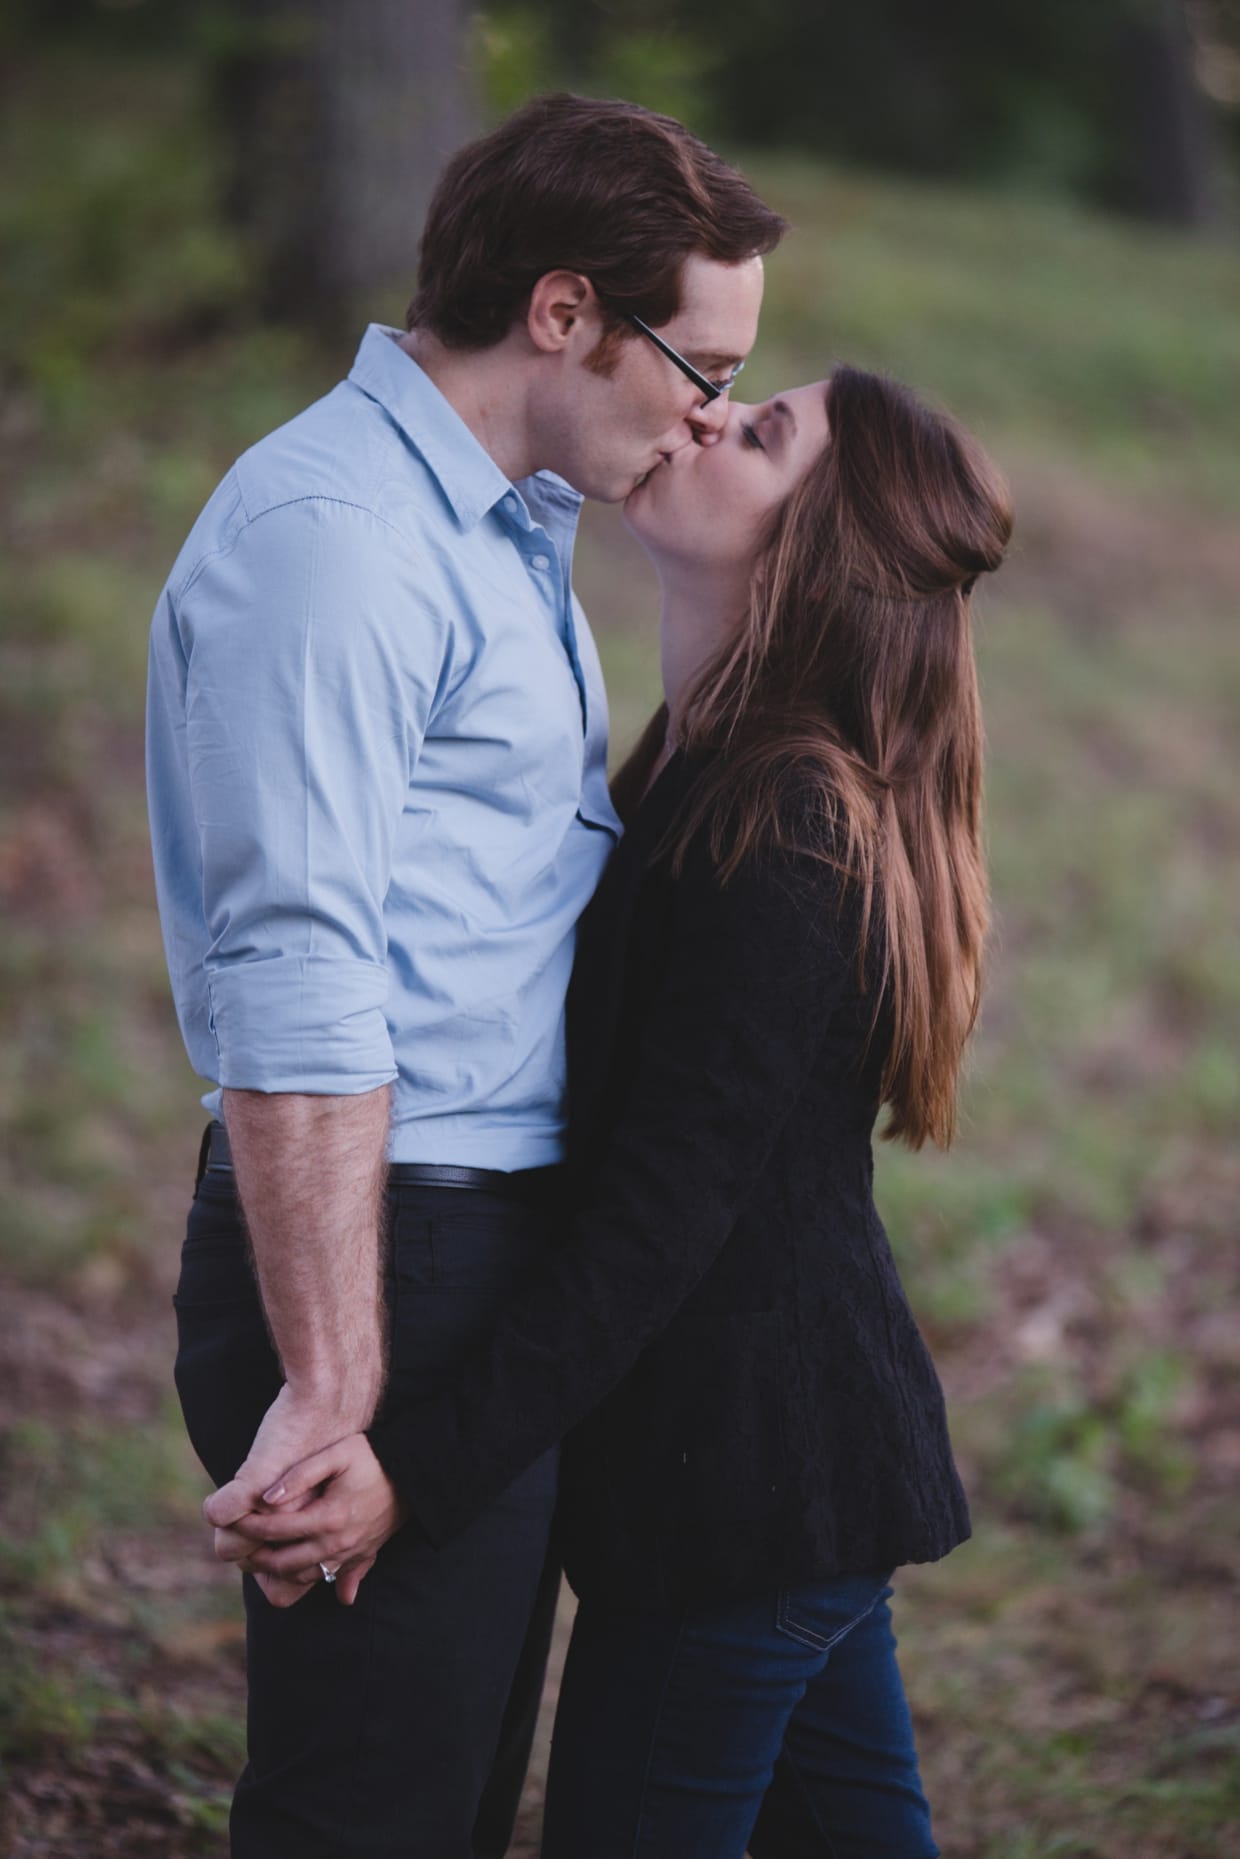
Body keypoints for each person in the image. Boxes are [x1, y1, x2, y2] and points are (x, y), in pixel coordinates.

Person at [216, 364, 1013, 1855]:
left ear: (814, 548)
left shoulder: (779, 836)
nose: (709, 416)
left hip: (745, 1507)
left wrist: (417, 1471)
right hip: (778, 1487)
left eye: (762, 432)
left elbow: (653, 1229)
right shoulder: (701, 770)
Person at [145, 91, 786, 1858]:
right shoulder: (335, 544)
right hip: (389, 1246)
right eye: (701, 361)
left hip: (473, 1247)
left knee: (443, 1807)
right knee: (365, 1818)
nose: (715, 409)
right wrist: (339, 1376)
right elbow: (298, 967)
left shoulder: (501, 528)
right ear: (565, 312)